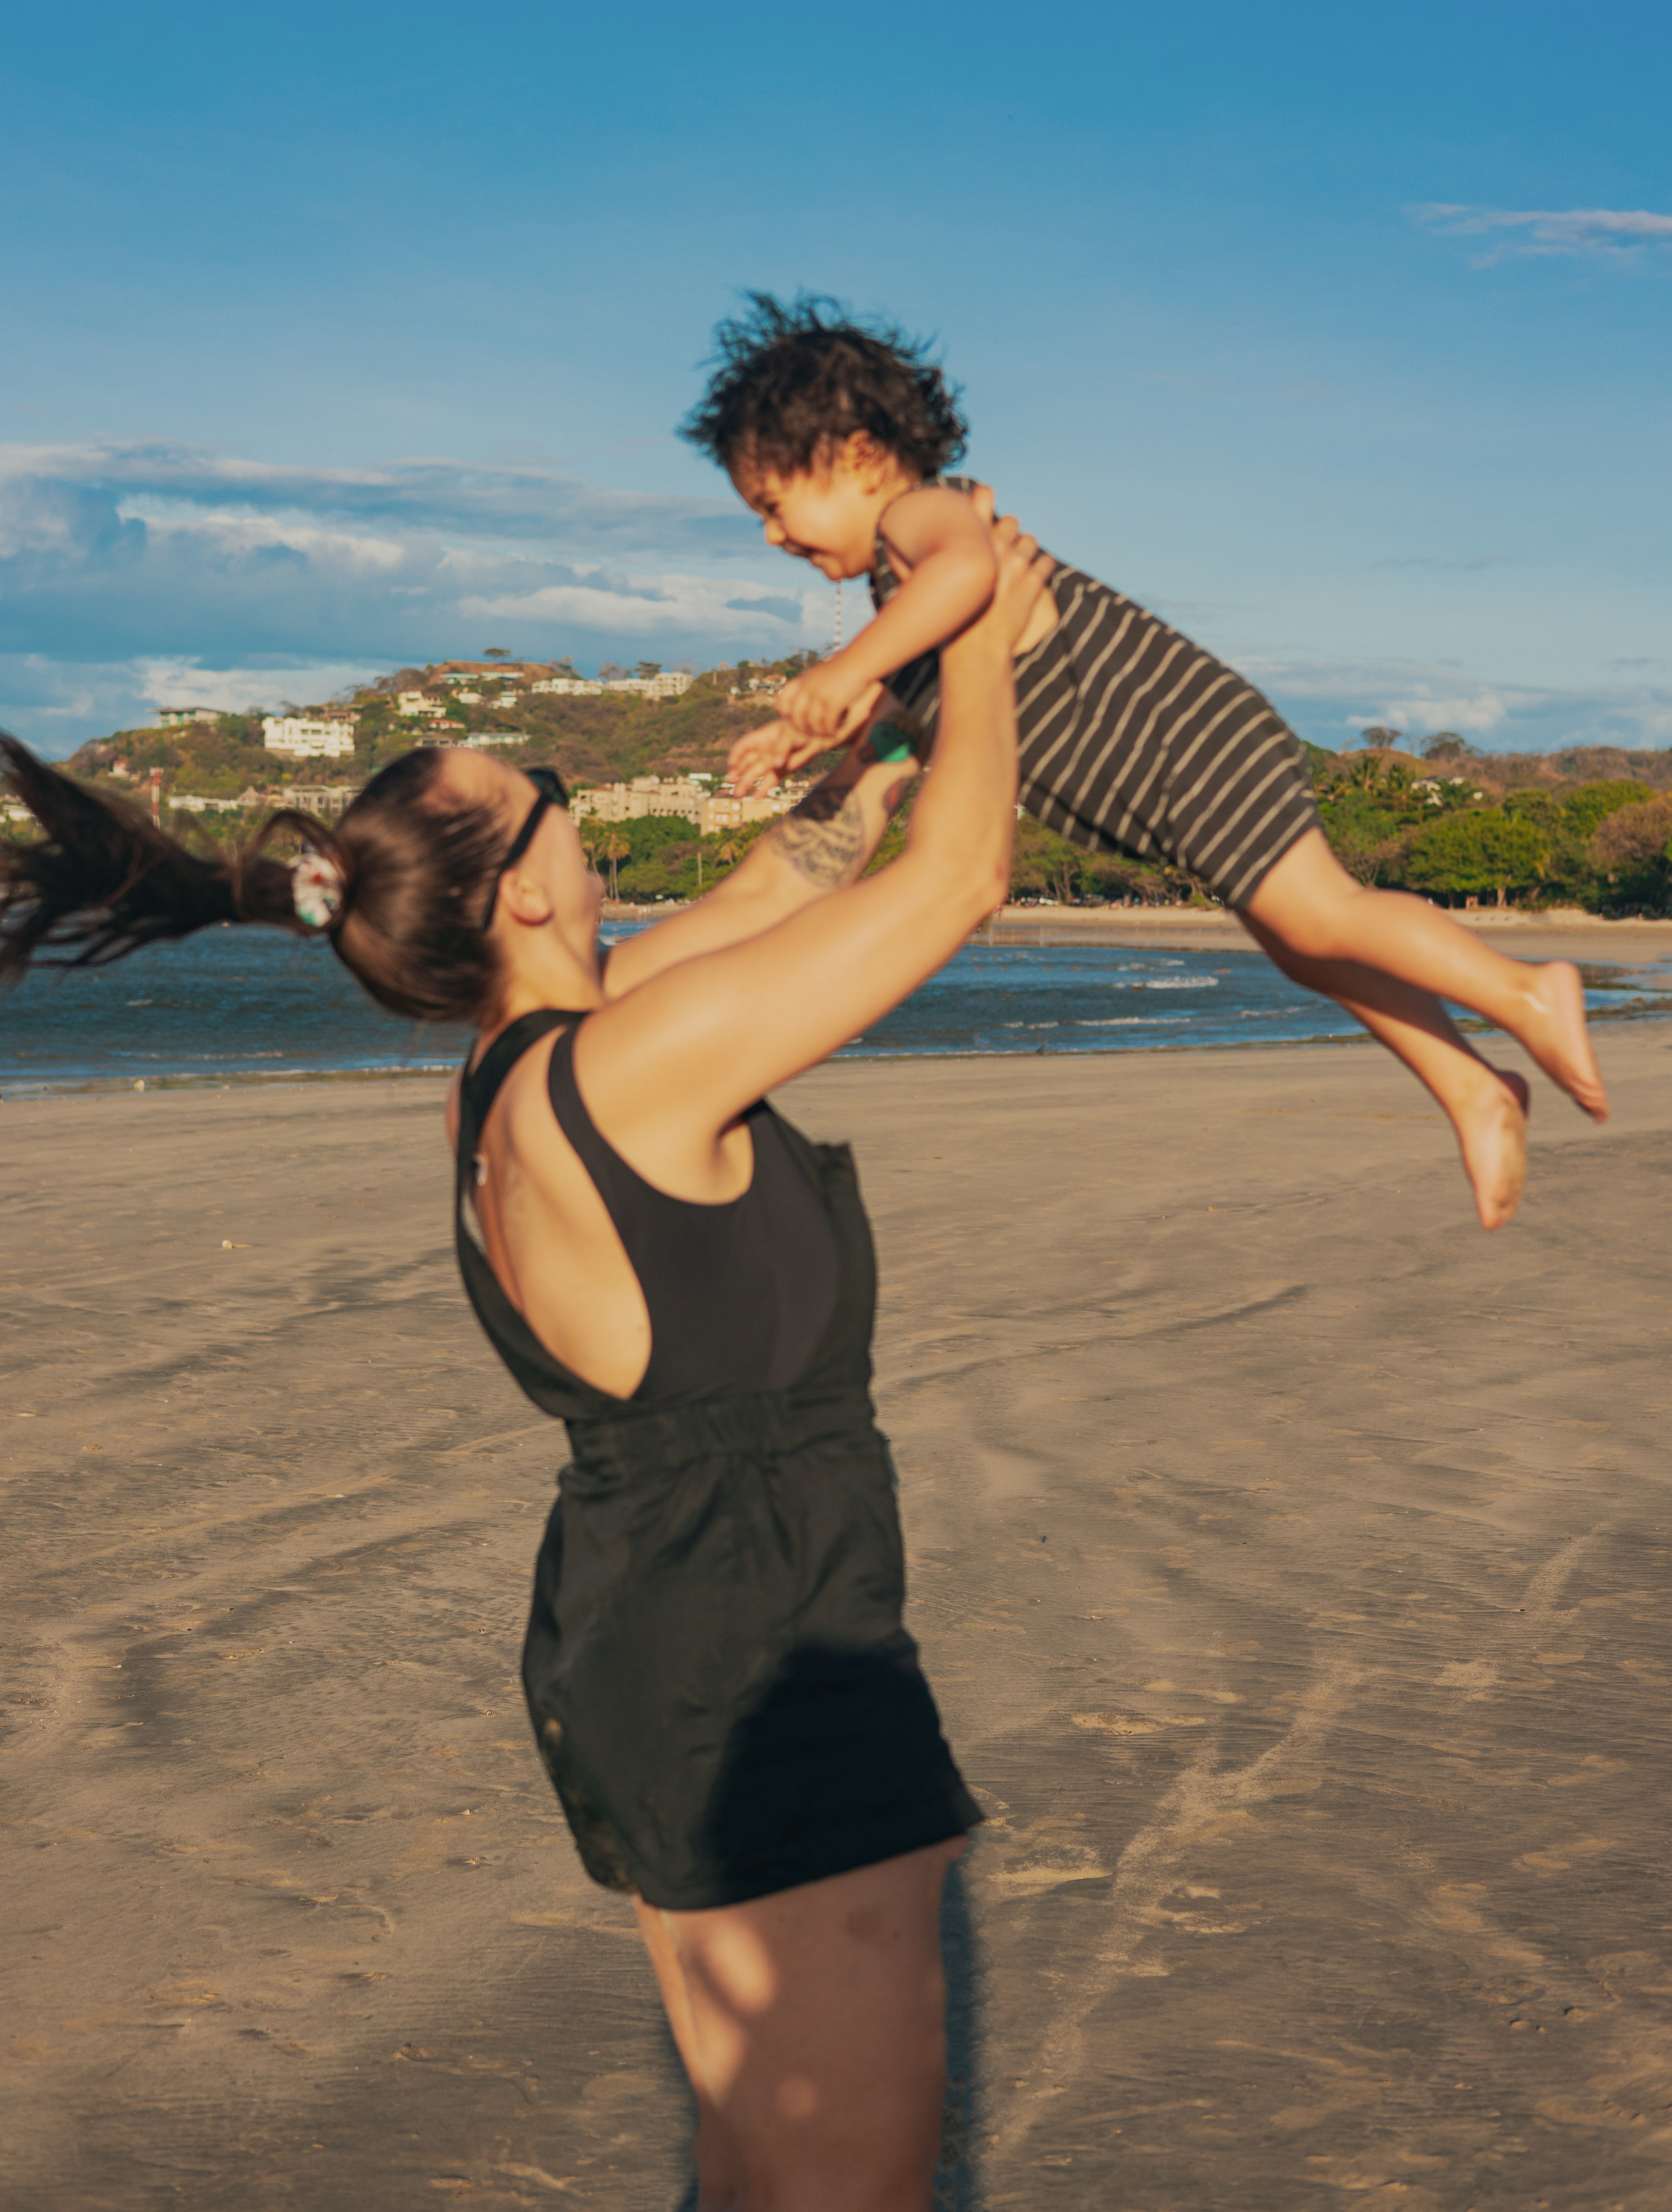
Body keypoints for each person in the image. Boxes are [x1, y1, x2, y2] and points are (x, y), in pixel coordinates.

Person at [0, 520, 1050, 2212]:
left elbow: (790, 885)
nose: (577, 792)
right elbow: (959, 884)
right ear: (532, 885)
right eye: (554, 782)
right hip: (757, 1649)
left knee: (761, 2173)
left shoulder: (528, 1066)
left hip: (666, 1635)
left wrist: (887, 724)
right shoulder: (625, 1069)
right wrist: (988, 621)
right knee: (842, 2190)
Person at [683, 293, 1609, 1233]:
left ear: (855, 454)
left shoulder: (925, 514)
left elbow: (972, 579)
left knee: (1322, 914)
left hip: (1188, 741)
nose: (769, 534)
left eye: (772, 503)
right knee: (1302, 946)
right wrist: (819, 729)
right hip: (1165, 772)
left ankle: (1526, 989)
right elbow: (926, 689)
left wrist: (844, 667)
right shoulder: (898, 596)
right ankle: (1470, 1084)